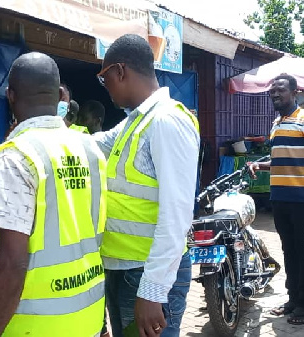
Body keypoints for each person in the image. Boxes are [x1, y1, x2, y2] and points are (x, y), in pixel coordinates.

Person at [0, 52, 107, 337]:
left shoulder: (16, 157)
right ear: (60, 94)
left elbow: (13, 263)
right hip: (88, 314)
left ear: (10, 95)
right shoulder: (90, 149)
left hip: (36, 324)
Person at [93, 34, 200, 337]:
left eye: (105, 78)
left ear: (120, 71)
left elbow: (177, 214)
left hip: (145, 274)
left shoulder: (166, 121)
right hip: (124, 269)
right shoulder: (136, 122)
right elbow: (95, 145)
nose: (106, 87)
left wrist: (152, 291)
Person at [248, 74, 304, 325]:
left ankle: (303, 308)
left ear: (294, 92)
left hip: (302, 198)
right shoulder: (277, 123)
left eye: (280, 90)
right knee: (288, 250)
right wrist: (259, 165)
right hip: (280, 198)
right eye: (272, 90)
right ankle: (293, 300)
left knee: (301, 253)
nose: (275, 94)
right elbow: (283, 160)